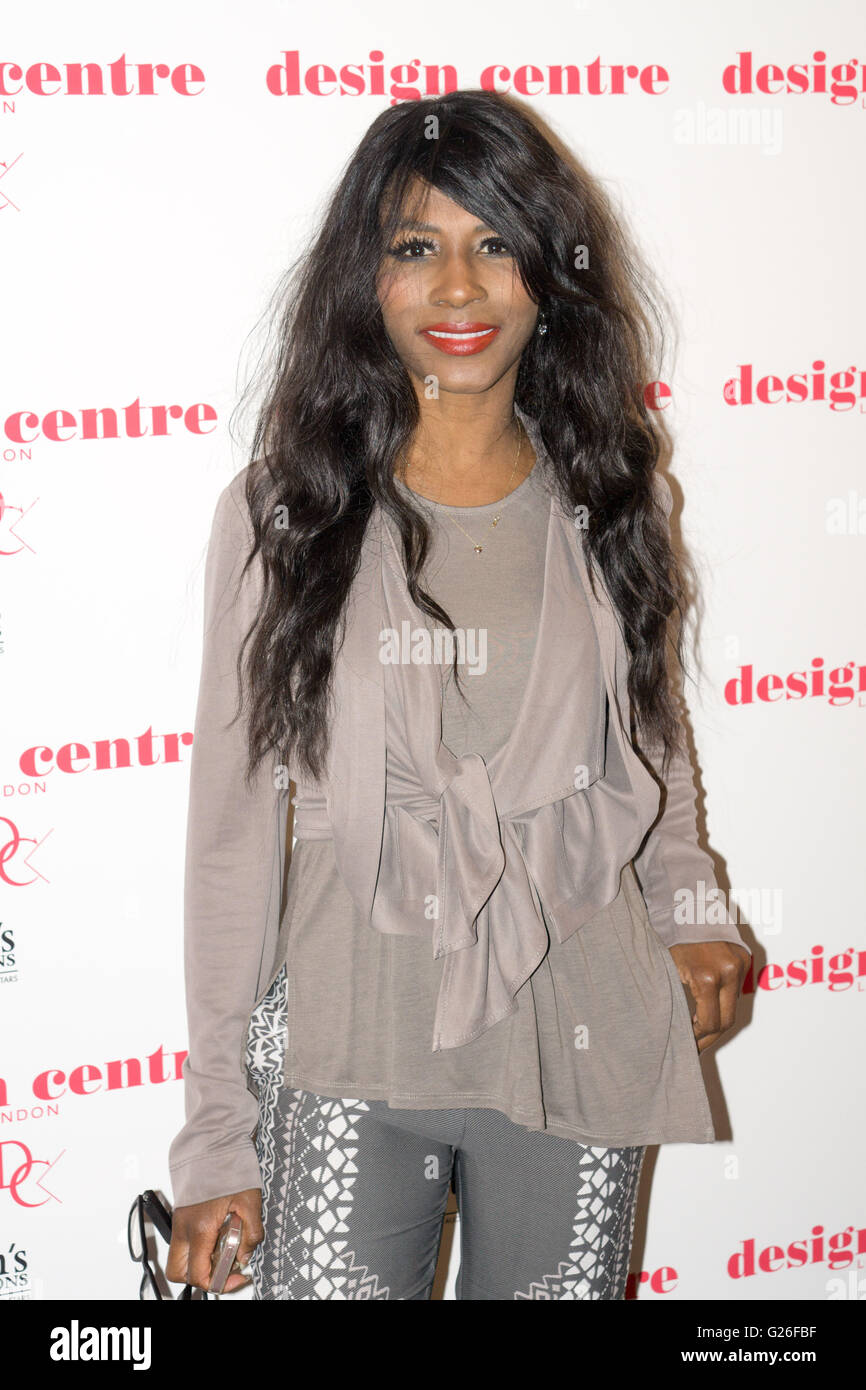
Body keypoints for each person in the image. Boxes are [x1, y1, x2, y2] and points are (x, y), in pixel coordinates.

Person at [165, 89, 751, 1302]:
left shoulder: (607, 495)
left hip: (579, 1035)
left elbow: (649, 750)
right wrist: (216, 1132)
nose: (458, 290)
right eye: (414, 247)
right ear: (363, 278)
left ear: (547, 273)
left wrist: (692, 910)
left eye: (495, 245)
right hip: (347, 1046)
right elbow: (230, 843)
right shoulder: (286, 513)